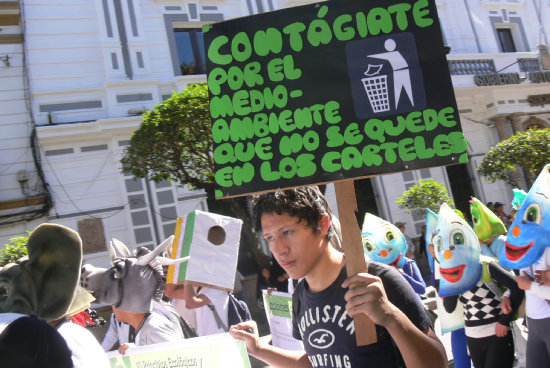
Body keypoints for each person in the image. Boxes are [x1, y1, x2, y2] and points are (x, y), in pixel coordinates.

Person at [230, 186, 447, 368]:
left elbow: (437, 363)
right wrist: (258, 349)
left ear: (323, 224)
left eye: (287, 232)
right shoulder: (299, 297)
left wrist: (391, 317)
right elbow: (317, 362)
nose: (279, 249)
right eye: (269, 237)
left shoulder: (375, 281)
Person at [502, 247, 550, 367]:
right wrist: (507, 295)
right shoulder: (526, 248)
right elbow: (520, 278)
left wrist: (530, 286)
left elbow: (527, 284)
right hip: (534, 325)